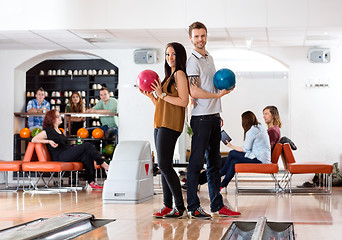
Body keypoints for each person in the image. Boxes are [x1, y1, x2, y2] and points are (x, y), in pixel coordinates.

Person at [186, 21, 240, 219]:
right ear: (190, 38)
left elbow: (211, 85)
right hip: (200, 119)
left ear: (206, 36)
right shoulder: (193, 61)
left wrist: (221, 97)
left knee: (214, 164)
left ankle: (217, 206)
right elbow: (194, 91)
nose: (200, 39)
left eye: (203, 35)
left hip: (213, 117)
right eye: (196, 36)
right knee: (196, 163)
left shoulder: (209, 58)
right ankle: (193, 207)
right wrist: (218, 97)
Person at [140, 42, 189, 218]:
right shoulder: (168, 76)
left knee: (164, 165)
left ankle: (179, 207)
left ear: (180, 56)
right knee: (164, 165)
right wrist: (153, 97)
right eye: (167, 54)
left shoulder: (180, 74)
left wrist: (161, 95)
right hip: (160, 123)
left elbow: (183, 101)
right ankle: (167, 206)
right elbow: (162, 104)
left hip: (170, 125)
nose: (170, 58)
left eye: (173, 54)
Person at [31, 109, 109, 189]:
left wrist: (74, 147)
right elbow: (33, 139)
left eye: (59, 116)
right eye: (57, 116)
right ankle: (103, 164)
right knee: (87, 145)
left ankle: (91, 182)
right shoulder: (47, 131)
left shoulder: (59, 130)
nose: (60, 118)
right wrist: (49, 141)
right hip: (59, 156)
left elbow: (64, 145)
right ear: (52, 119)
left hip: (66, 153)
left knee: (87, 154)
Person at [220, 111, 271, 188]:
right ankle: (222, 185)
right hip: (262, 157)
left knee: (232, 153)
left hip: (259, 159)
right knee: (234, 162)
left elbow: (246, 149)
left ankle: (221, 172)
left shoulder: (252, 131)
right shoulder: (259, 127)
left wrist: (230, 145)